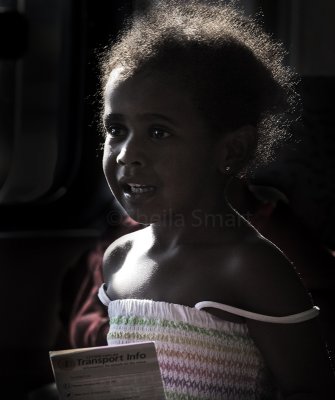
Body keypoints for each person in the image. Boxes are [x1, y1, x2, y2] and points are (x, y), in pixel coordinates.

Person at [96, 1, 335, 398]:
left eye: (158, 132)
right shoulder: (118, 259)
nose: (125, 154)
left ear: (230, 151)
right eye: (116, 129)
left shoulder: (252, 267)